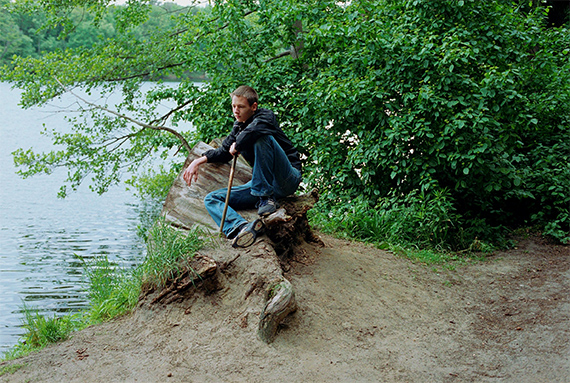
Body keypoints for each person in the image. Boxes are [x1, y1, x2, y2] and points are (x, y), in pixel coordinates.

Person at [183, 85, 302, 248]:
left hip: (287, 178)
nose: (236, 111)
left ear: (253, 107)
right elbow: (224, 152)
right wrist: (197, 161)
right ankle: (241, 227)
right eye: (233, 106)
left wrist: (238, 143)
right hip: (263, 184)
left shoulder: (266, 117)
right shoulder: (238, 126)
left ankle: (265, 198)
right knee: (212, 199)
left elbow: (254, 131)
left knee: (262, 138)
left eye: (241, 106)